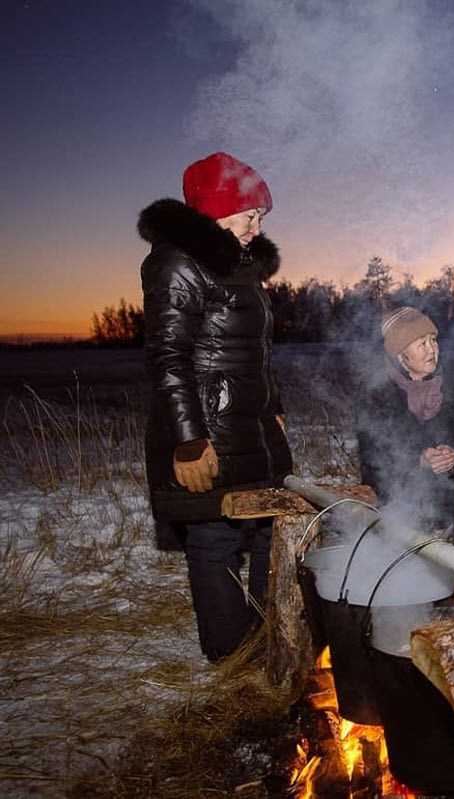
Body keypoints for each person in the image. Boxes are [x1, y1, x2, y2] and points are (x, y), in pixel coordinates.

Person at [139, 151, 293, 663]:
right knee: (214, 538)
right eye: (250, 215)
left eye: (260, 218)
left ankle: (268, 632)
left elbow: (255, 353)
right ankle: (232, 656)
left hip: (249, 426)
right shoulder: (177, 263)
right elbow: (168, 356)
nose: (257, 227)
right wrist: (189, 440)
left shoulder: (240, 268)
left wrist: (274, 410)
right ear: (217, 210)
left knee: (274, 524)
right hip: (207, 429)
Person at [356, 307, 454, 558]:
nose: (432, 350)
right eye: (421, 344)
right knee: (408, 551)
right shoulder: (376, 392)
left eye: (433, 340)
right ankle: (406, 553)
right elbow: (372, 454)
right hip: (405, 482)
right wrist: (419, 459)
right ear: (401, 356)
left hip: (452, 475)